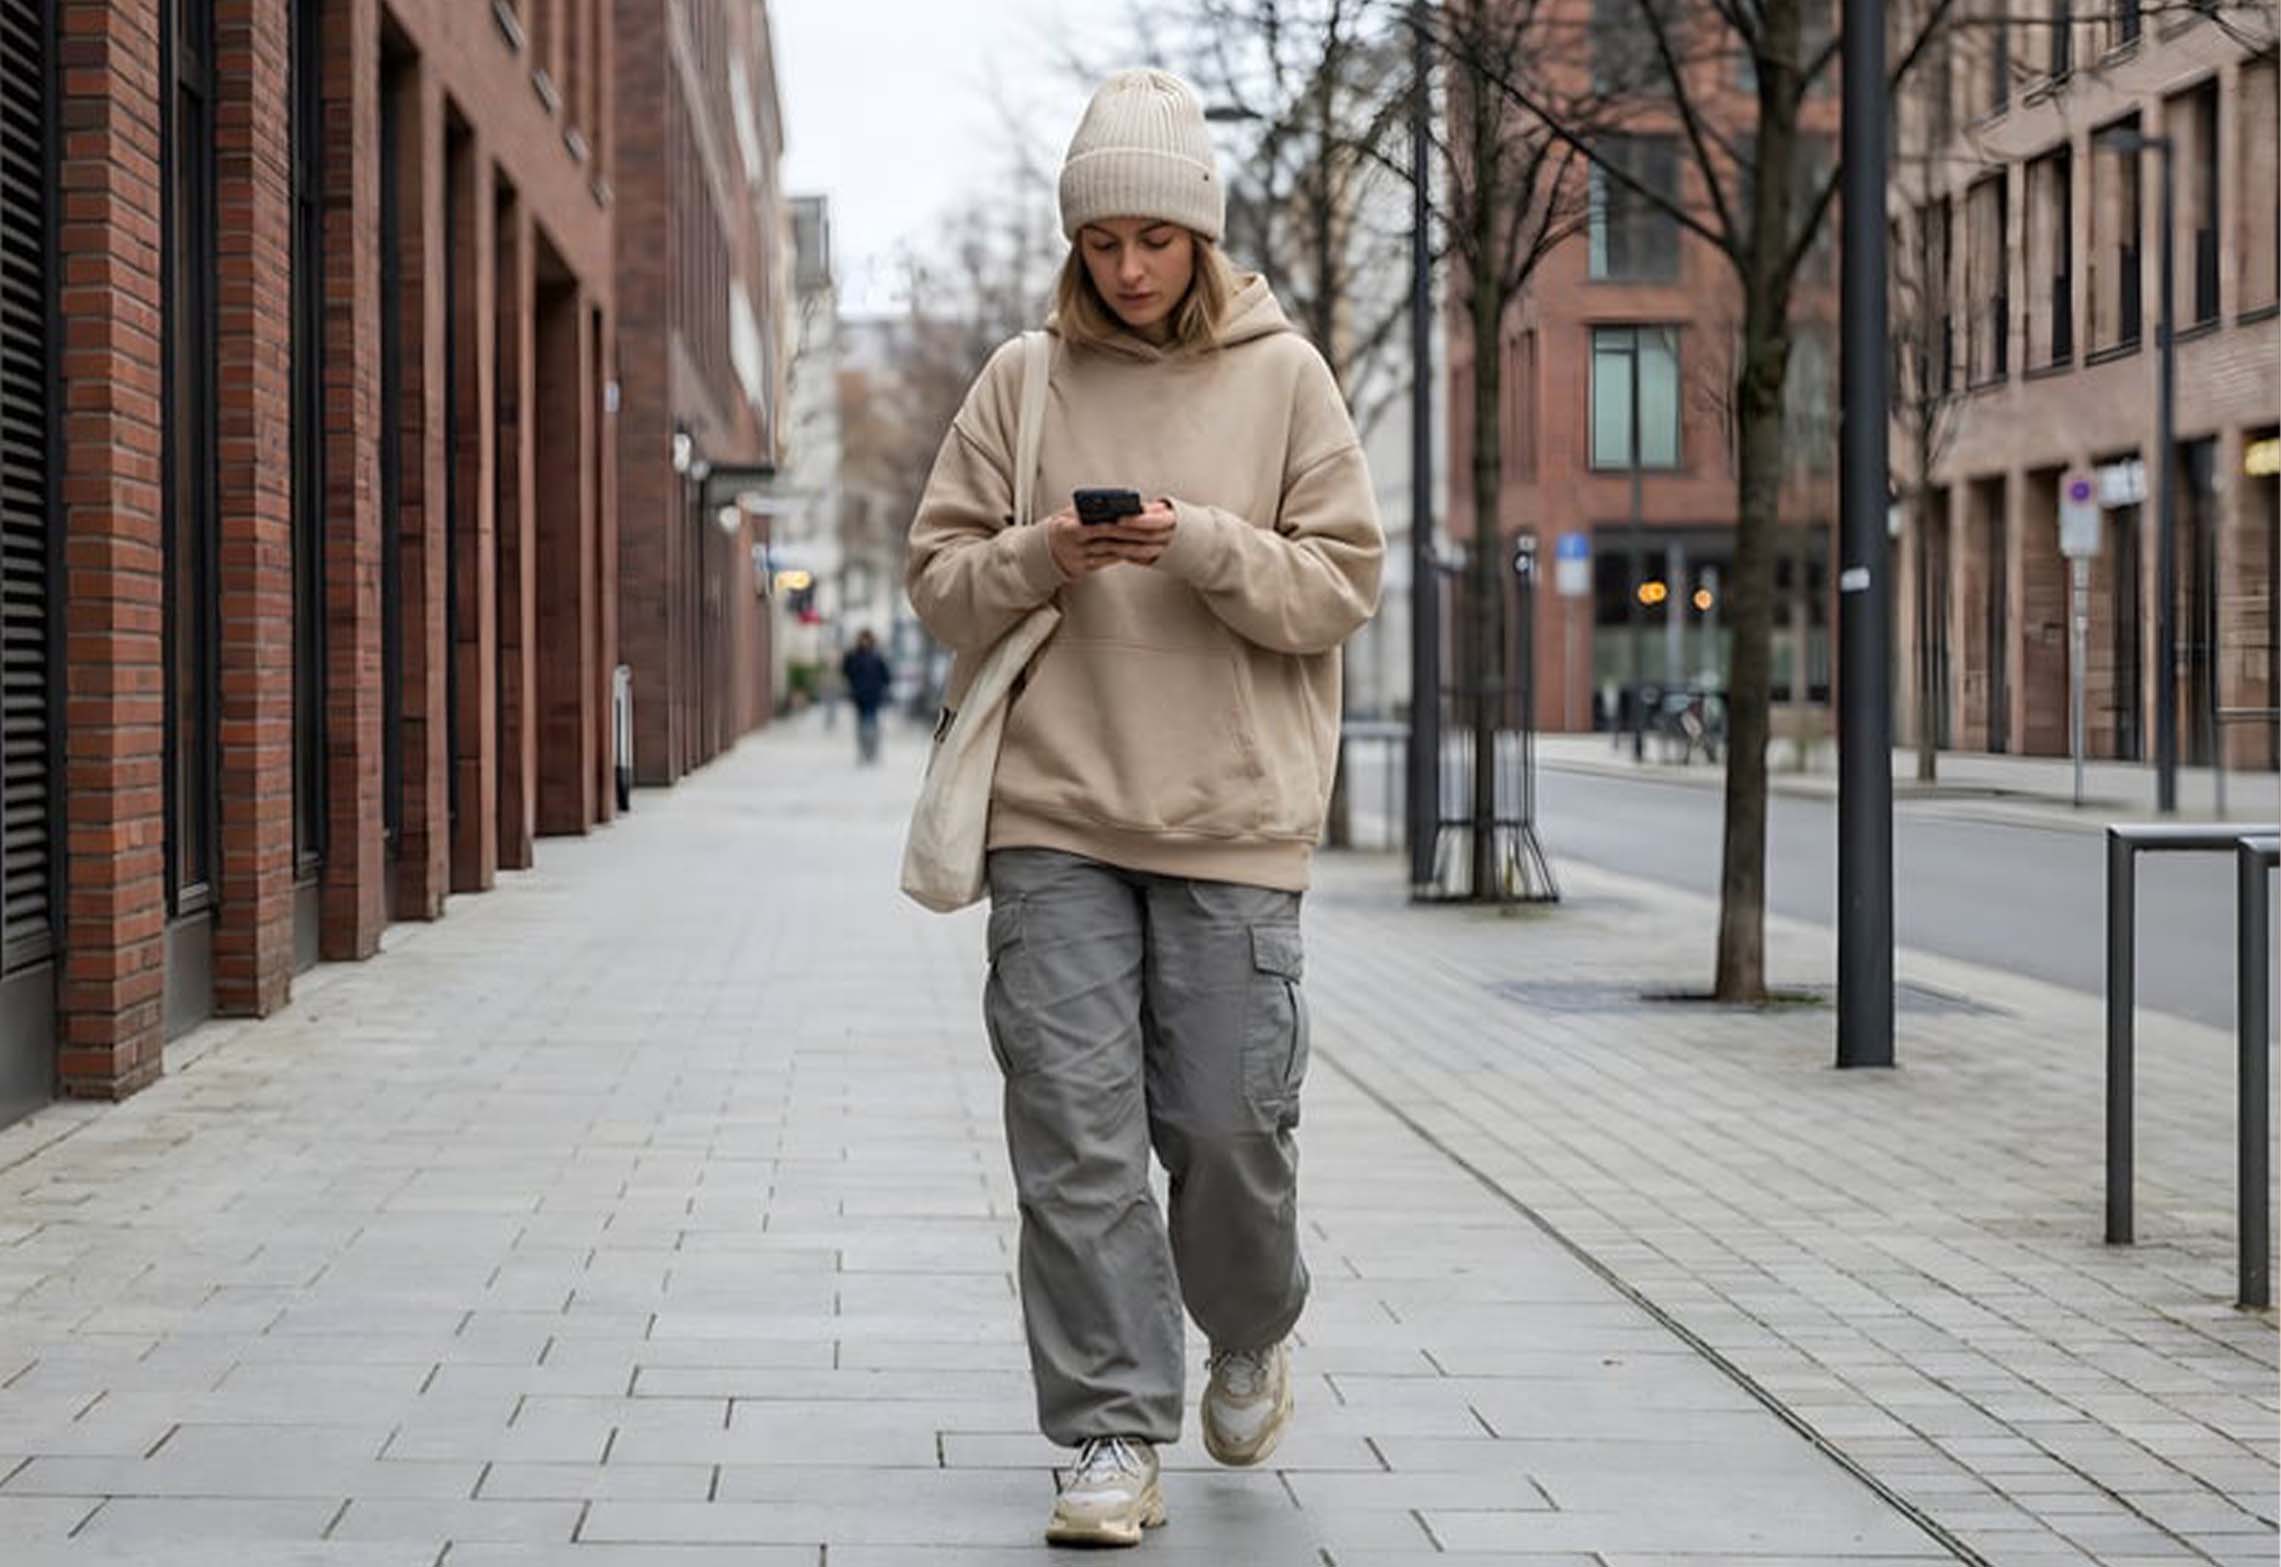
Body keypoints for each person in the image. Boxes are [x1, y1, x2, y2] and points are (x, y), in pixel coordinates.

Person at [905, 68, 1383, 1550]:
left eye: (1153, 240)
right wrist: (1046, 550)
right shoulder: (1019, 380)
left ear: (1200, 237)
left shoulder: (1285, 376)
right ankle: (1109, 1428)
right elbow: (937, 578)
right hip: (1053, 817)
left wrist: (1205, 544)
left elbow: (1339, 584)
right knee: (1076, 1138)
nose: (1125, 267)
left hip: (1231, 817)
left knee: (1231, 1127)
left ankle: (1248, 1322)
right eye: (1101, 240)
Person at [839, 630, 893, 765]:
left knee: (872, 725)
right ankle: (863, 752)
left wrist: (882, 687)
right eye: (863, 638)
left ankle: (873, 752)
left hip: (874, 696)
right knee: (861, 726)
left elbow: (886, 676)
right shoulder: (853, 656)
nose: (865, 641)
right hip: (859, 697)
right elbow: (845, 672)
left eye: (867, 639)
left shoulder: (877, 657)